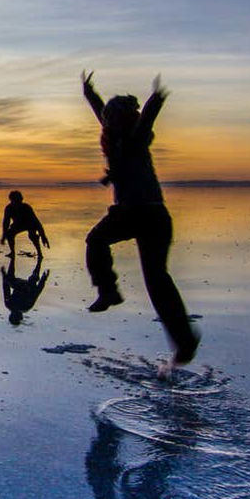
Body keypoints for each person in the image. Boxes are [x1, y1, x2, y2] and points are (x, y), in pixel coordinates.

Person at [81, 70, 199, 377]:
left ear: (121, 119)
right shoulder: (116, 137)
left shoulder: (133, 139)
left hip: (141, 214)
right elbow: (100, 113)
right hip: (149, 214)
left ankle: (110, 292)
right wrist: (89, 93)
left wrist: (155, 99)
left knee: (103, 246)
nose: (105, 121)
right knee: (156, 278)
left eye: (111, 116)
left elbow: (146, 119)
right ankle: (182, 339)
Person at [2, 254, 49, 326]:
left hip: (19, 286)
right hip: (28, 287)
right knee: (33, 279)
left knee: (10, 279)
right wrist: (43, 280)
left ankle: (12, 260)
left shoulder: (9, 304)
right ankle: (38, 263)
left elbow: (6, 289)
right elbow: (36, 292)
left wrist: (4, 277)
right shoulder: (25, 306)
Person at [0, 190, 50, 257]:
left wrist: (43, 236)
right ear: (11, 200)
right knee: (9, 234)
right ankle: (12, 252)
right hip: (18, 224)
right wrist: (4, 236)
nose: (17, 203)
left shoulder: (26, 207)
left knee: (32, 236)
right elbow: (6, 222)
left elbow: (36, 222)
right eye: (15, 201)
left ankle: (39, 253)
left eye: (19, 200)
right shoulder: (9, 208)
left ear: (21, 200)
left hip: (30, 224)